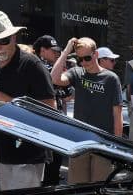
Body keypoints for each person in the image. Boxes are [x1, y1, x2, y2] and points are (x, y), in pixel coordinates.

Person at [0, 11, 55, 190]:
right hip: (3, 153)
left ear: (14, 37)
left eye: (3, 40)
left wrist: (9, 101)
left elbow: (50, 110)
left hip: (29, 153)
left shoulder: (32, 65)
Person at [51, 38, 123, 183]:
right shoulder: (77, 73)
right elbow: (54, 78)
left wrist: (116, 146)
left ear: (95, 54)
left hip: (103, 143)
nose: (83, 62)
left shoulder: (111, 78)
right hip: (79, 141)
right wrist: (66, 51)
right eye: (80, 59)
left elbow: (117, 114)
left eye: (87, 58)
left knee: (99, 186)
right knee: (77, 187)